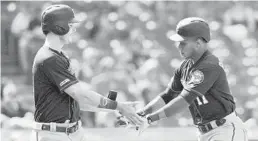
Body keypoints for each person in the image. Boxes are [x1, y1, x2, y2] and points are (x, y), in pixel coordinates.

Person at [30, 4, 143, 141]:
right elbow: (81, 95)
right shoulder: (49, 58)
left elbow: (79, 102)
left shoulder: (60, 56)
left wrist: (116, 109)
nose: (73, 29)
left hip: (72, 131)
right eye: (70, 25)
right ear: (59, 27)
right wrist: (118, 105)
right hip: (53, 134)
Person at [136, 17, 248, 141]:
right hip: (205, 133)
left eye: (183, 42)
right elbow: (168, 95)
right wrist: (142, 113)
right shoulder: (185, 66)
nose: (179, 47)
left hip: (224, 130)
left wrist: (151, 118)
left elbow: (184, 100)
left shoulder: (209, 65)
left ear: (198, 43)